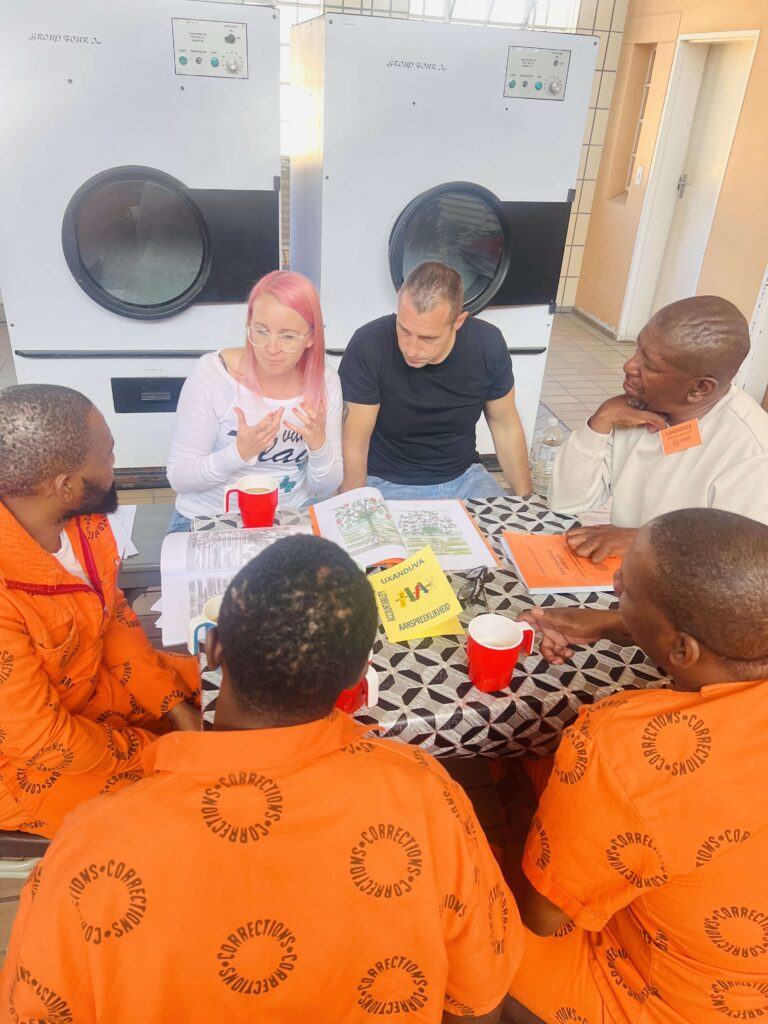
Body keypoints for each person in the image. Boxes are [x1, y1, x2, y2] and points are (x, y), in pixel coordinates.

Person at [3, 535, 522, 1022]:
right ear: (356, 677)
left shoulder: (89, 846)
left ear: (213, 649)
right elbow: (479, 994)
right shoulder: (427, 793)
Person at [499, 508, 768, 1024]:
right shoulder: (749, 635)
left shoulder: (626, 745)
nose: (614, 584)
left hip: (670, 1001)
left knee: (455, 882)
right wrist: (617, 623)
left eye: (625, 591)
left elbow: (541, 915)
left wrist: (517, 812)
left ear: (682, 649)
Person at [0, 385, 200, 838]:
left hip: (93, 685)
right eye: (107, 455)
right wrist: (156, 750)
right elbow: (43, 741)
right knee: (185, 801)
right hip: (32, 763)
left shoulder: (86, 520)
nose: (115, 463)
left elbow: (114, 620)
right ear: (65, 486)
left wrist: (173, 707)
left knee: (231, 685)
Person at [549, 295, 768, 562]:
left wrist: (648, 539)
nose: (629, 366)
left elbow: (746, 559)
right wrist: (602, 419)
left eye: (649, 365)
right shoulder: (635, 409)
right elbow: (566, 500)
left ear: (700, 388)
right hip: (628, 571)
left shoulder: (754, 452)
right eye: (638, 348)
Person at [339, 261, 532, 500]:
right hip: (385, 482)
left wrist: (527, 500)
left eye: (428, 338)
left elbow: (506, 426)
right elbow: (354, 444)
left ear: (458, 322)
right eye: (404, 330)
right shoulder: (368, 344)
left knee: (508, 524)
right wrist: (355, 506)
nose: (411, 349)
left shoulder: (487, 344)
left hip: (465, 479)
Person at [166, 271, 343, 531]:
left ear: (311, 337)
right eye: (261, 332)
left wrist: (318, 445)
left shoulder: (324, 382)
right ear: (249, 325)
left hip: (289, 517)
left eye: (288, 336)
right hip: (207, 517)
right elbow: (179, 478)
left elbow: (325, 487)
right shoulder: (213, 375)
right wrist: (239, 452)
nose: (271, 349)